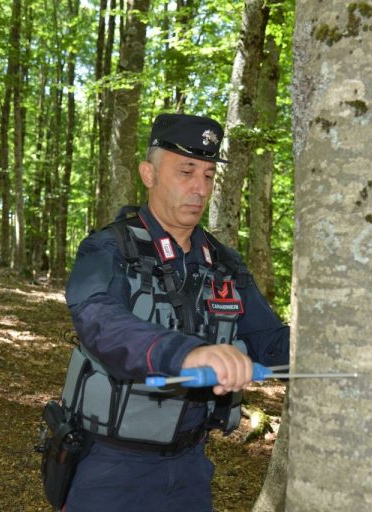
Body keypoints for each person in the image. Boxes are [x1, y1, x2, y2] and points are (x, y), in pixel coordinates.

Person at [60, 113, 290, 512]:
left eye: (208, 176)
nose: (199, 189)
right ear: (149, 174)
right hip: (111, 469)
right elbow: (99, 320)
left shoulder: (224, 265)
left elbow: (270, 343)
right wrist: (185, 353)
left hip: (189, 471)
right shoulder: (108, 249)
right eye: (186, 172)